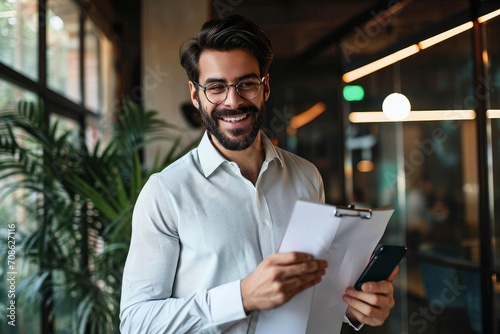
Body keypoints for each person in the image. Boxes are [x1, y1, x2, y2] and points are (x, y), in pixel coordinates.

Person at [120, 14, 398, 333]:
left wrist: (357, 308)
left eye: (246, 84)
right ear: (196, 96)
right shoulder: (165, 193)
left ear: (264, 87)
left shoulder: (307, 176)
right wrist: (241, 297)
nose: (233, 101)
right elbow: (136, 322)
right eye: (216, 88)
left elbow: (314, 289)